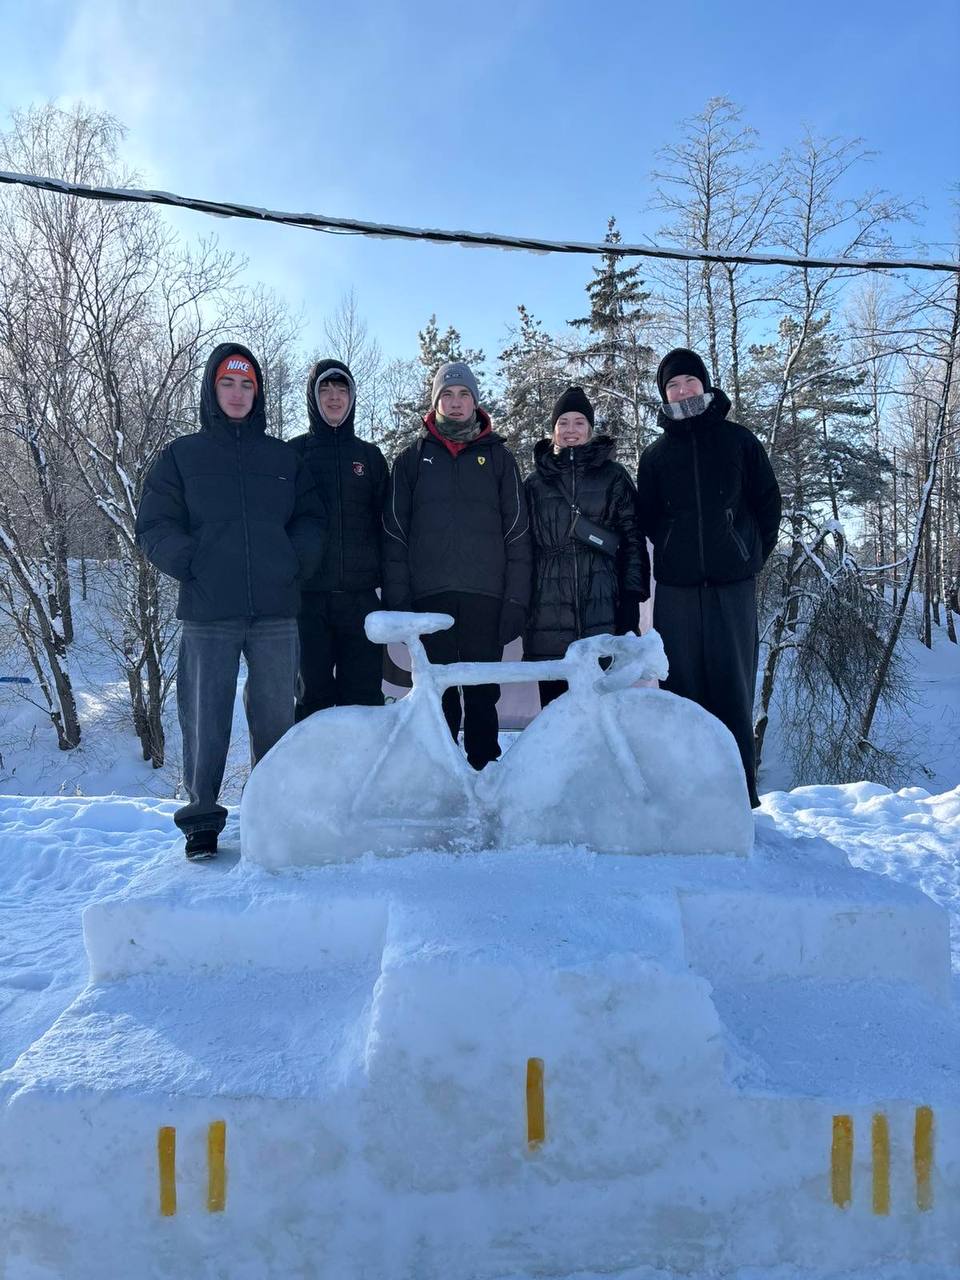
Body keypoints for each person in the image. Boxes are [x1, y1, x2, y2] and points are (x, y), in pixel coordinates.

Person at [135, 343, 325, 860]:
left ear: (257, 393)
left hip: (275, 610)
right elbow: (153, 524)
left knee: (276, 718)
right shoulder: (182, 456)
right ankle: (201, 820)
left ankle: (272, 813)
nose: (238, 393)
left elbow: (310, 521)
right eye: (227, 383)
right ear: (211, 389)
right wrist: (193, 562)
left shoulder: (282, 458)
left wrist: (292, 562)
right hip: (208, 609)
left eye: (247, 385)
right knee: (204, 718)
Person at [635, 348, 781, 808]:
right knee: (681, 693)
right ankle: (685, 801)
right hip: (676, 591)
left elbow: (767, 504)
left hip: (731, 588)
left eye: (689, 382)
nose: (682, 391)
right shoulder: (656, 455)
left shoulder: (739, 442)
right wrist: (673, 549)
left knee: (732, 690)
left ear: (705, 384)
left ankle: (739, 800)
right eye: (672, 386)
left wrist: (747, 554)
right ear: (664, 395)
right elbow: (649, 518)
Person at [382, 360, 531, 769]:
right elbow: (394, 535)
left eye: (464, 394)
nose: (456, 401)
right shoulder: (410, 460)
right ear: (435, 402)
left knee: (482, 695)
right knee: (438, 697)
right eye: (447, 394)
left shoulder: (500, 459)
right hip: (430, 602)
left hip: (486, 599)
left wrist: (516, 600)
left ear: (475, 401)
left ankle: (484, 773)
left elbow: (518, 534)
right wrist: (400, 601)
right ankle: (442, 775)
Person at [524, 386, 649, 708]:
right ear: (553, 429)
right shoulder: (534, 484)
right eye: (563, 422)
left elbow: (633, 539)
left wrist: (631, 600)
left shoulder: (614, 476)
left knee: (603, 710)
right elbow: (522, 549)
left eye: (579, 422)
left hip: (604, 603)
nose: (571, 430)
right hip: (547, 608)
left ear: (590, 429)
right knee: (554, 713)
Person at [288, 360, 390, 718]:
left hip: (361, 601)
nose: (334, 397)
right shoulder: (293, 454)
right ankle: (314, 759)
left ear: (352, 396)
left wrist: (392, 588)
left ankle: (362, 759)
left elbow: (388, 527)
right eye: (326, 389)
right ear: (313, 397)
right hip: (308, 601)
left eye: (341, 389)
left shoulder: (370, 457)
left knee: (363, 701)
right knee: (312, 700)